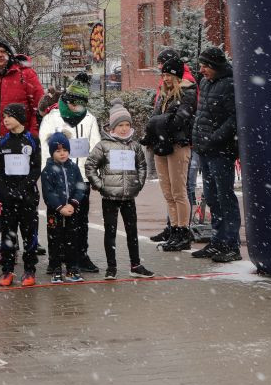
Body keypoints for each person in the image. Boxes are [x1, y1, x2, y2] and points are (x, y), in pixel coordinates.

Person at [38, 74, 101, 272]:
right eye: (74, 103)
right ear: (67, 100)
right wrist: (47, 172)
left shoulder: (90, 119)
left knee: (80, 221)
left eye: (81, 104)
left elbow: (96, 146)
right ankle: (56, 259)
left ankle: (80, 255)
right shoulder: (52, 118)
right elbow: (44, 145)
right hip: (56, 178)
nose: (77, 108)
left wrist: (93, 174)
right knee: (55, 222)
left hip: (80, 178)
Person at [86, 101, 154, 279]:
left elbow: (142, 165)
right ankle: (111, 267)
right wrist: (100, 185)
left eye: (127, 125)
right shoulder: (103, 146)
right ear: (112, 127)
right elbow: (90, 166)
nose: (124, 129)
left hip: (129, 197)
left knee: (132, 231)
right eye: (120, 125)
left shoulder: (135, 146)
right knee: (110, 232)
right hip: (110, 197)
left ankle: (135, 264)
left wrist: (138, 183)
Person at [192, 47, 242, 263]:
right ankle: (218, 239)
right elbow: (201, 113)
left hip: (221, 151)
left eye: (205, 66)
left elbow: (234, 119)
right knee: (212, 197)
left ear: (215, 65)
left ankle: (231, 244)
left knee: (225, 196)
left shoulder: (229, 84)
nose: (201, 69)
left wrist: (214, 138)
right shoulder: (205, 83)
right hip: (204, 149)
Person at [144, 58, 197, 252]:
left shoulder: (187, 92)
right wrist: (158, 125)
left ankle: (183, 231)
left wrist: (158, 123)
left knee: (179, 191)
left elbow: (180, 120)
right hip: (161, 144)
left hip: (177, 145)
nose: (165, 78)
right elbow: (156, 118)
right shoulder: (164, 94)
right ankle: (174, 229)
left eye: (169, 75)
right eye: (163, 75)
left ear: (177, 76)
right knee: (167, 191)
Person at [0, 103, 42, 287]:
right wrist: (5, 190)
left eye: (9, 116)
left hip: (27, 196)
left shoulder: (32, 139)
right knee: (8, 235)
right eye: (4, 116)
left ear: (19, 118)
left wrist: (22, 189)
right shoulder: (2, 142)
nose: (5, 120)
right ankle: (7, 270)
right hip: (8, 197)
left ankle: (29, 270)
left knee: (29, 234)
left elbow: (36, 168)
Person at [41, 132, 88, 284]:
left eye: (65, 150)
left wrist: (73, 203)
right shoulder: (47, 170)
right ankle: (55, 268)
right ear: (52, 152)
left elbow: (80, 187)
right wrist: (60, 207)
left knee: (72, 239)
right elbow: (48, 193)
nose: (62, 154)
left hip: (72, 210)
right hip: (55, 212)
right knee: (55, 239)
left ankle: (72, 268)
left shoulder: (74, 168)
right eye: (58, 151)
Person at [0, 38, 46, 139]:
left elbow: (38, 108)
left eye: (3, 51)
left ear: (9, 54)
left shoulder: (26, 75)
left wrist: (33, 134)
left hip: (20, 141)